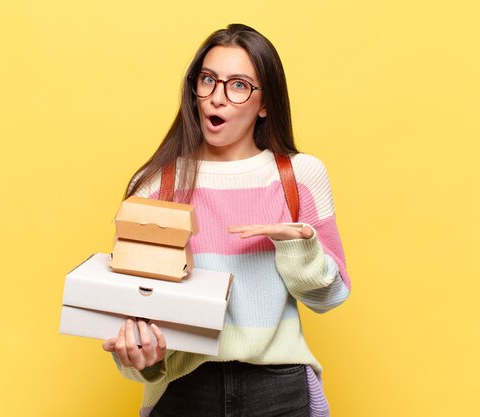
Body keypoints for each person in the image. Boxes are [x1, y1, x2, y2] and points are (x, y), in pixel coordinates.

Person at [102, 23, 351, 417]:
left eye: (238, 85)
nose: (217, 98)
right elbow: (134, 317)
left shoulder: (301, 176)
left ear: (265, 102)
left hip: (279, 390)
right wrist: (141, 356)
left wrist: (296, 243)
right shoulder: (153, 184)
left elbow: (330, 297)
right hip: (185, 391)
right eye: (208, 80)